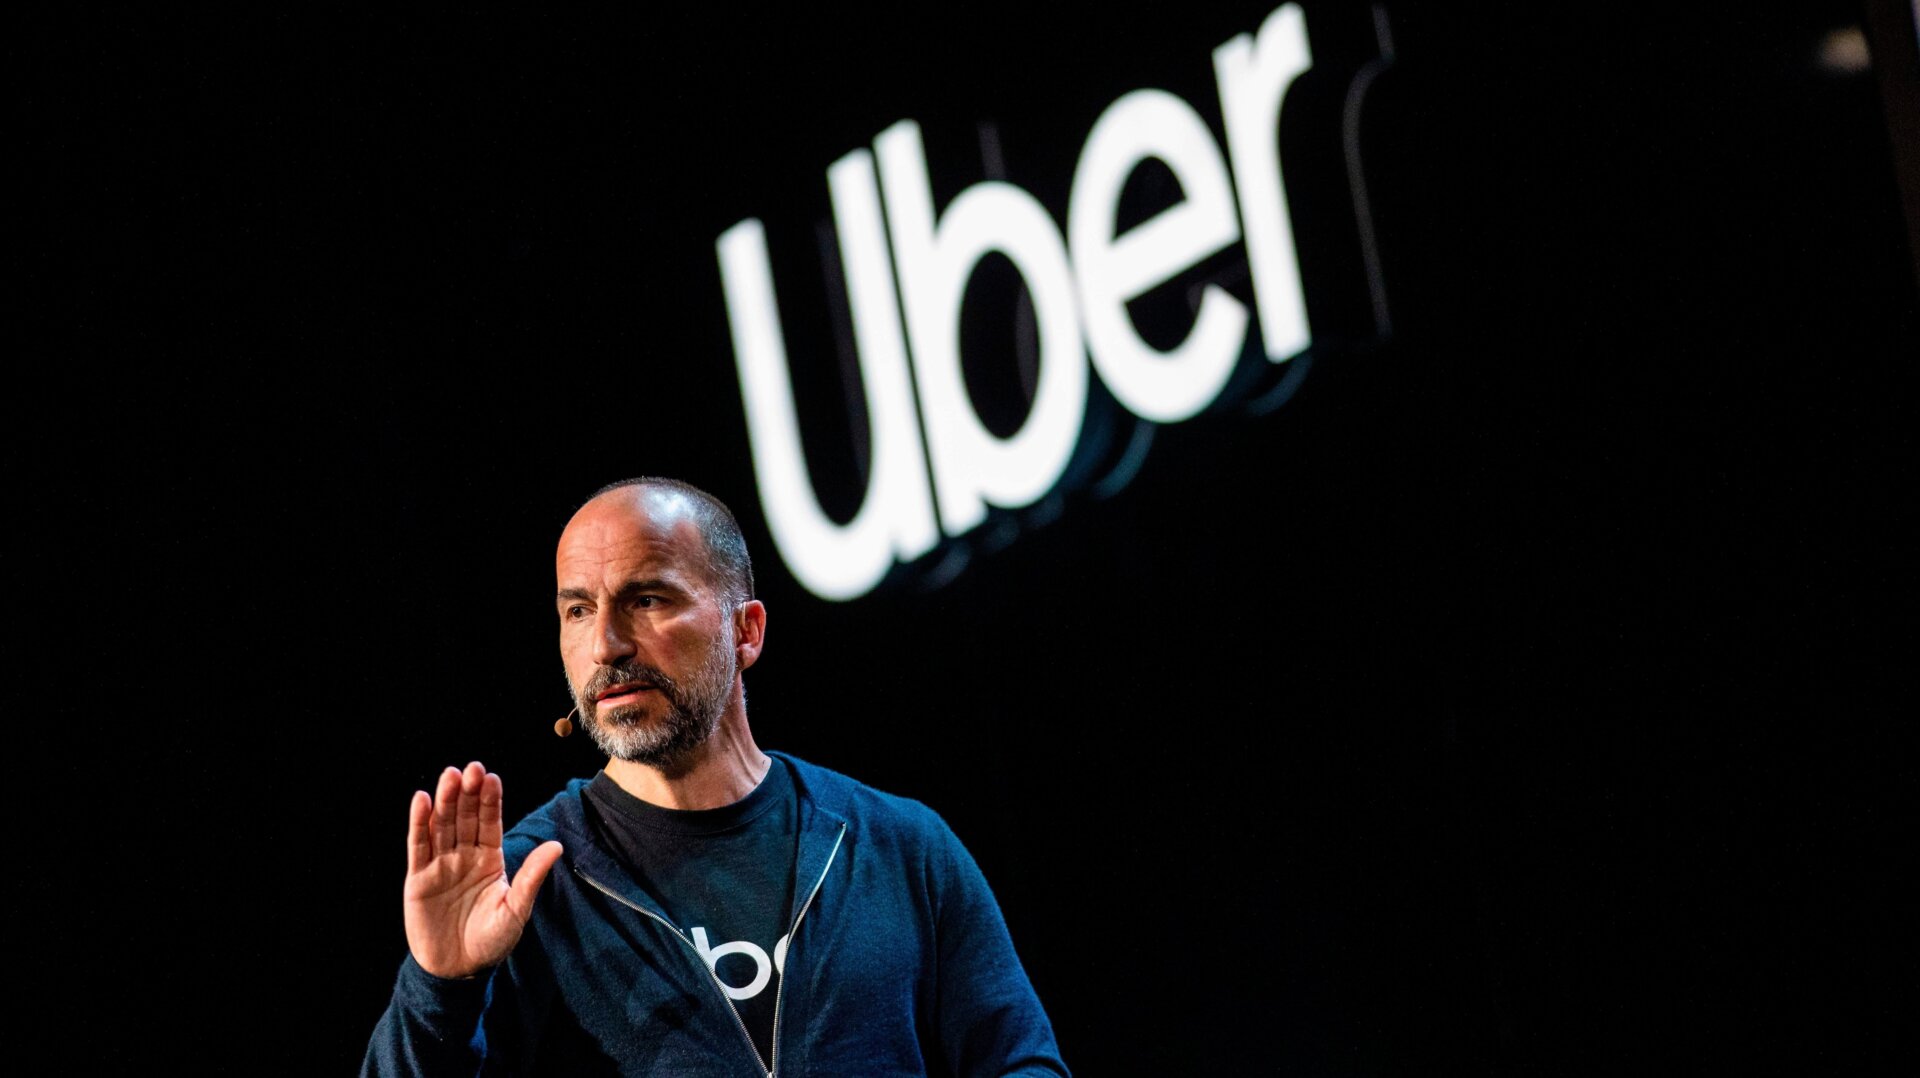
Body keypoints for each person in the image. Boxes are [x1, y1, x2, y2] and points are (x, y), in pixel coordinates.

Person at [362, 477, 1068, 1077]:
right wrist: (440, 989)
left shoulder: (898, 844)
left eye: (647, 600)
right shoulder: (523, 885)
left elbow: (1021, 1062)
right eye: (578, 610)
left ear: (746, 630)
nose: (606, 644)